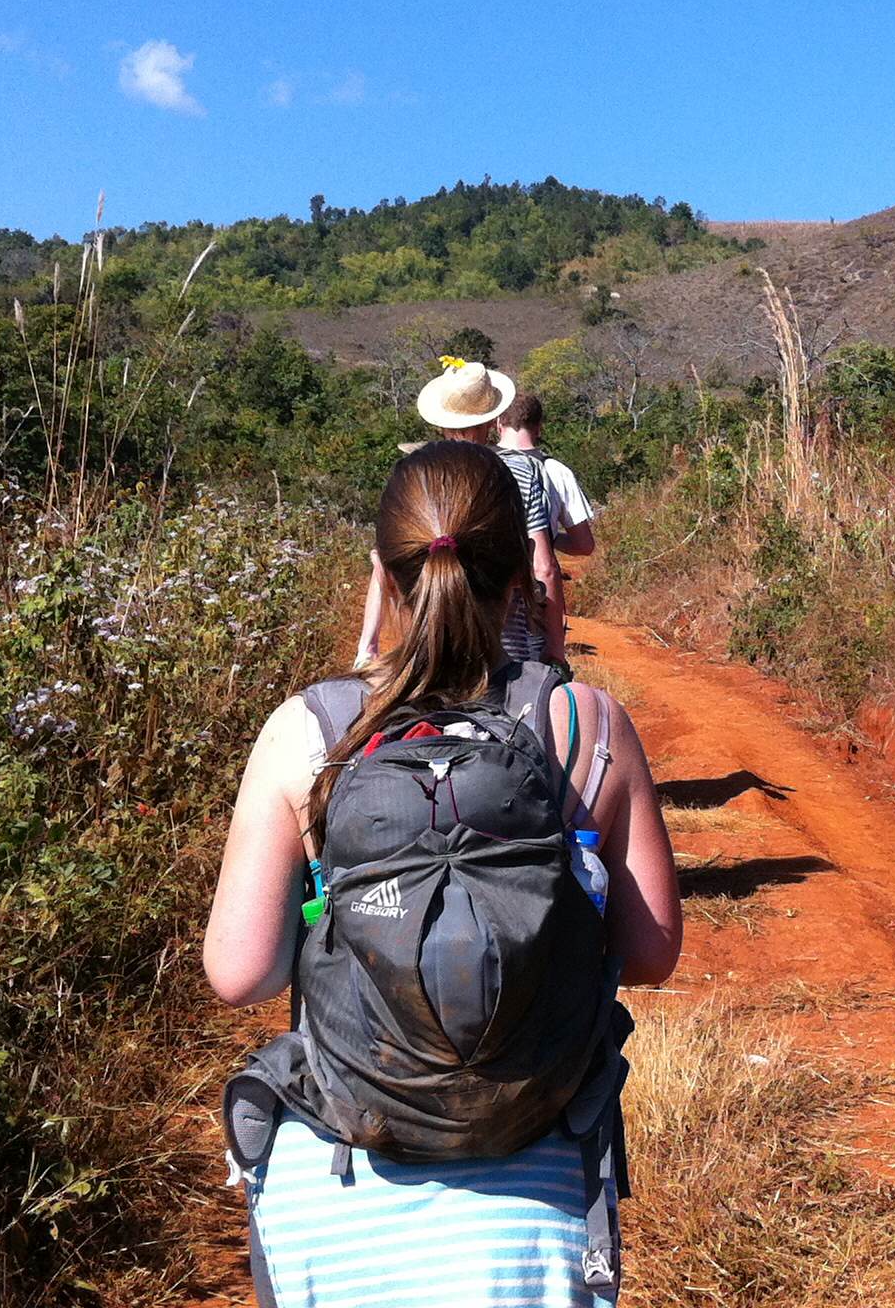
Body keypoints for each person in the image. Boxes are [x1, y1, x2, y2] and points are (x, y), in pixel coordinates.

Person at [205, 442, 682, 1307]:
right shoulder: (584, 723)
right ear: (521, 579)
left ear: (385, 577)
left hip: (344, 1182)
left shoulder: (309, 731)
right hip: (533, 1200)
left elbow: (240, 973)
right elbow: (649, 955)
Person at [363, 359, 569, 725]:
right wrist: (555, 649)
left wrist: (369, 647)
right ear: (495, 420)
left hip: (432, 655)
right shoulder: (522, 471)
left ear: (440, 421)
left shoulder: (418, 475)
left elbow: (384, 565)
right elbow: (544, 566)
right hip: (513, 659)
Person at [496, 392, 596, 561]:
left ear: (498, 423)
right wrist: (549, 536)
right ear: (539, 427)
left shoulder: (479, 464)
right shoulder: (557, 471)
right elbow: (584, 545)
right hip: (536, 580)